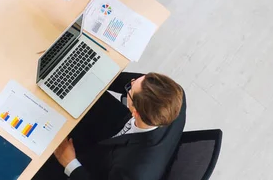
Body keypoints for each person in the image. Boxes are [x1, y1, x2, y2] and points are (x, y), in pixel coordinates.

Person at [33, 72, 186, 180]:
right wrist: (94, 75)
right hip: (117, 133)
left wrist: (70, 163)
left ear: (136, 112)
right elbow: (127, 82)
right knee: (77, 94)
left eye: (130, 89)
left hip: (102, 164)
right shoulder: (174, 95)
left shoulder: (132, 172)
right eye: (139, 80)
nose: (131, 82)